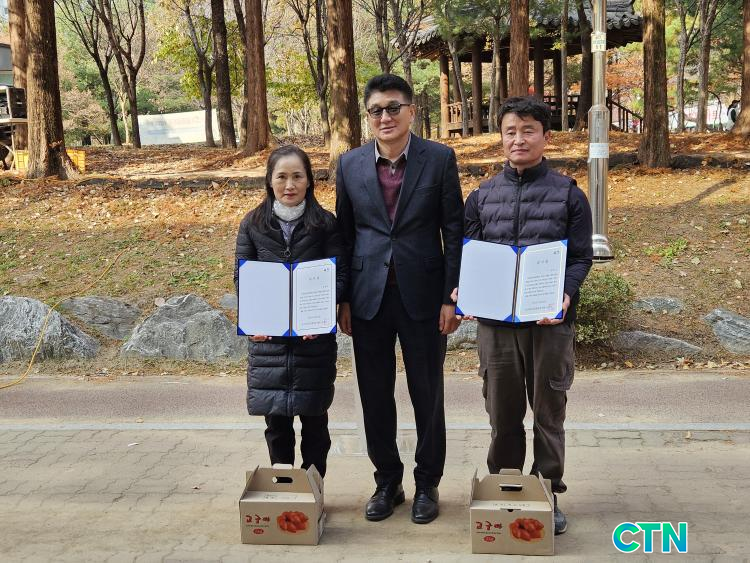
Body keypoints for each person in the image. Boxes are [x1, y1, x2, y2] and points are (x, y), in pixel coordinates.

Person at [458, 96, 593, 535]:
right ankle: (506, 487)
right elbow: (470, 256)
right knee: (502, 415)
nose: (519, 139)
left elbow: (580, 257)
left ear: (545, 137)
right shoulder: (481, 197)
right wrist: (465, 290)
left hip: (549, 326)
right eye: (510, 131)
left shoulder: (569, 195)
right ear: (501, 138)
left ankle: (547, 492)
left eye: (528, 130)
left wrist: (566, 295)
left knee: (549, 415)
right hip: (496, 328)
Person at [335, 73, 464, 524]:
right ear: (368, 116)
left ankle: (427, 482)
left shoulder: (439, 159)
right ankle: (387, 481)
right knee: (374, 394)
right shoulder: (349, 164)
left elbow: (454, 231)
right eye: (376, 110)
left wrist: (452, 297)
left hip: (425, 296)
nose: (385, 117)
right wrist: (343, 298)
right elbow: (345, 235)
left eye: (393, 107)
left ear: (411, 111)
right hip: (367, 298)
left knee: (427, 392)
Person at [234, 144, 348, 478]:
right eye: (281, 177)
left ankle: (313, 488)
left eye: (297, 176)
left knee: (315, 424)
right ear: (269, 181)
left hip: (313, 343)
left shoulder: (325, 224)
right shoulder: (253, 224)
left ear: (309, 180)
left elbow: (340, 275)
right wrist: (255, 318)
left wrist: (321, 315)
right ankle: (282, 485)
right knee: (276, 424)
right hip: (268, 343)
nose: (289, 185)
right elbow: (243, 277)